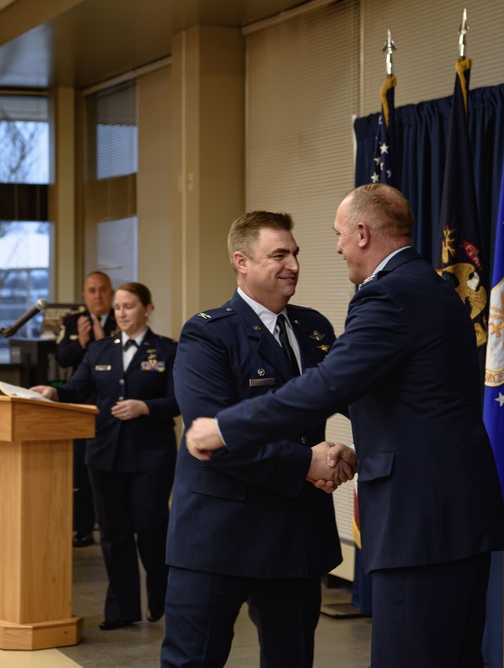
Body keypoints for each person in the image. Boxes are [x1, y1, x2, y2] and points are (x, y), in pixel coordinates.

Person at [185, 183, 504, 668]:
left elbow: (328, 386)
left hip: (420, 521)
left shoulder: (387, 296)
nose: (333, 248)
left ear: (361, 232)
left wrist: (225, 428)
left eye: (336, 235)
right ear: (241, 261)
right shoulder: (433, 287)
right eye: (281, 253)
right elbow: (394, 397)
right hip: (453, 513)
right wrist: (335, 453)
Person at [161, 211, 354, 668]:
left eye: (295, 254)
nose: (293, 265)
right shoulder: (207, 334)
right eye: (279, 255)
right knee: (193, 660)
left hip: (294, 534)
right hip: (218, 534)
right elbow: (213, 436)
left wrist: (346, 452)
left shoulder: (315, 329)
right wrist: (305, 463)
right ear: (241, 261)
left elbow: (348, 400)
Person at [32, 282, 179, 630]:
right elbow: (78, 389)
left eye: (129, 306)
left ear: (148, 308)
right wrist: (53, 390)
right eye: (117, 307)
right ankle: (121, 609)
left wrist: (145, 406)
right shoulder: (99, 350)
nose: (122, 313)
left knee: (151, 528)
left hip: (149, 457)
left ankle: (161, 597)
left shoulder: (168, 350)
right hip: (105, 454)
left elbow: (178, 401)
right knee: (113, 533)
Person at [55, 271, 118, 548]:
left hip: (112, 404)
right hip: (80, 401)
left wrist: (103, 342)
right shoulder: (72, 321)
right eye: (92, 291)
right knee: (81, 468)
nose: (97, 296)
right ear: (84, 296)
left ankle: (110, 523)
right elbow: (61, 357)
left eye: (103, 290)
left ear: (111, 292)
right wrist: (82, 343)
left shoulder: (123, 317)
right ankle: (82, 528)